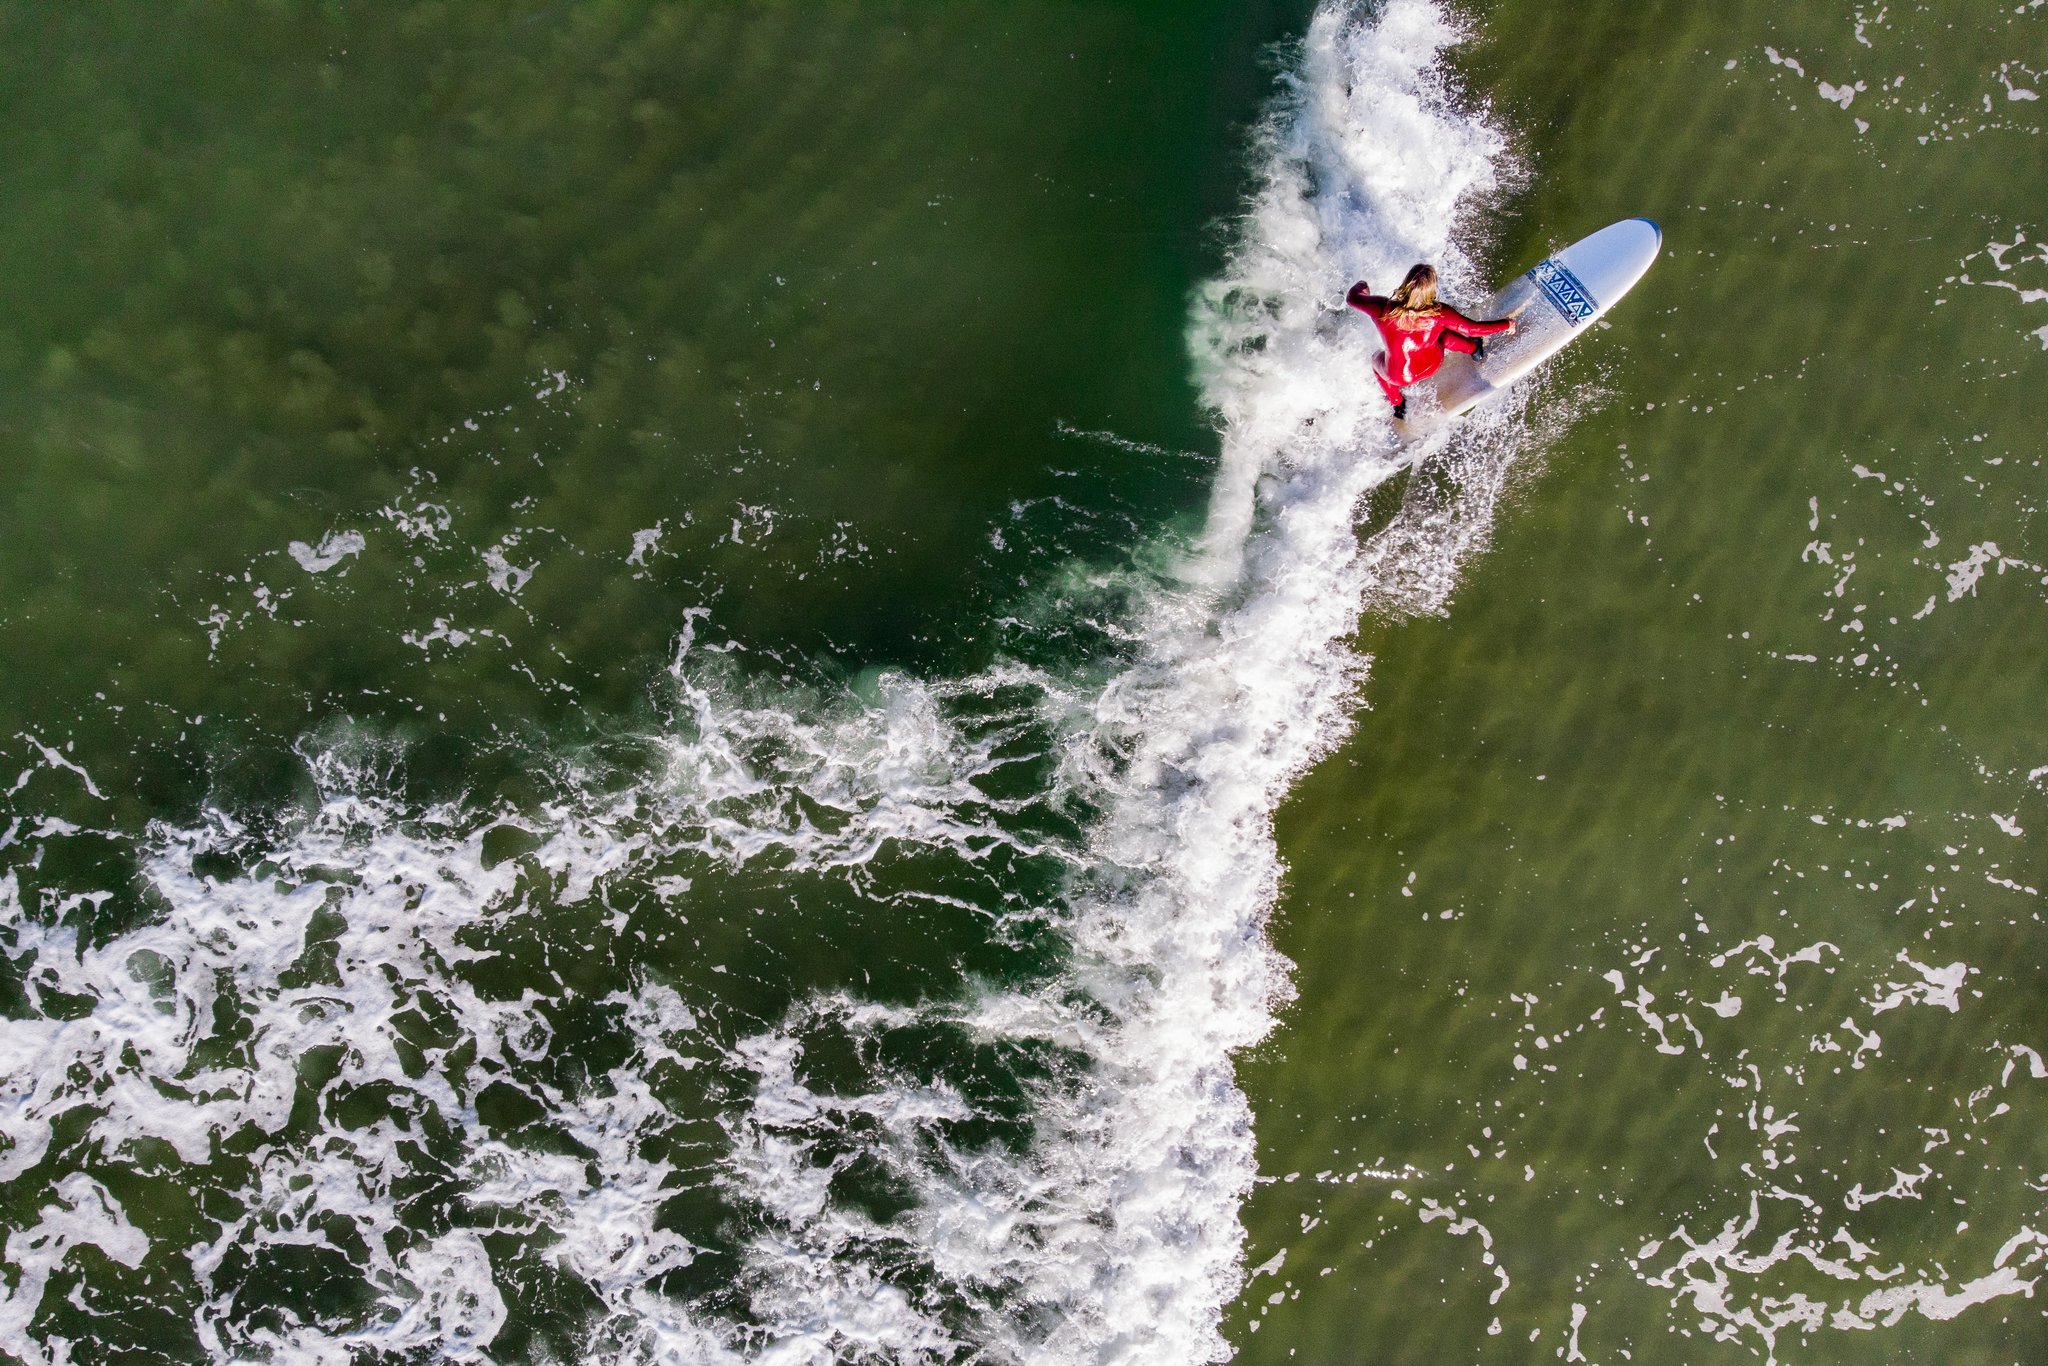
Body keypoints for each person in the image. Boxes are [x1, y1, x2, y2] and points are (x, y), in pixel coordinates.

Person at [1346, 264, 1516, 419]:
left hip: (1399, 377)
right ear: (1431, 290)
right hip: (1433, 364)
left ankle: (1398, 404)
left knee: (1376, 361)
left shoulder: (1382, 308)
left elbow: (1352, 298)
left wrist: (1362, 285)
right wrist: (1506, 324)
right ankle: (1474, 349)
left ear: (1406, 284)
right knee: (1442, 335)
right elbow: (1472, 329)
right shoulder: (1438, 313)